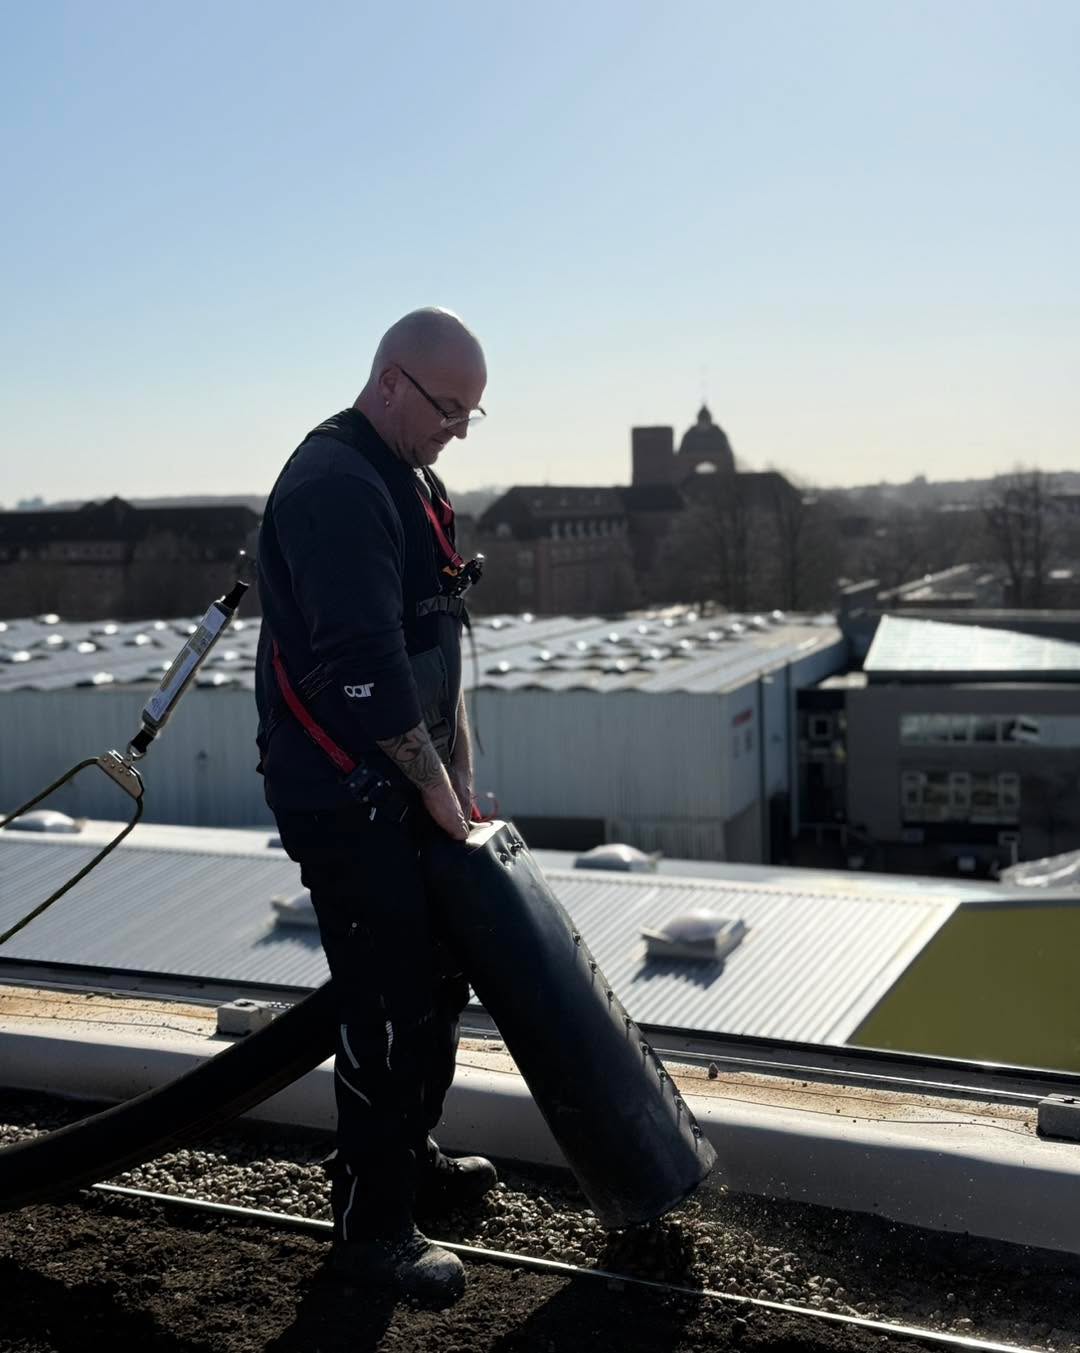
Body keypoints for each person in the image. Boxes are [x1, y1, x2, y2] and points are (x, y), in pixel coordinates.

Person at [254, 307, 494, 1305]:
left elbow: (440, 649)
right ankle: (371, 1230)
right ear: (391, 379)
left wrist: (461, 781)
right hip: (344, 797)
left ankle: (407, 1155)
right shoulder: (335, 486)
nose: (458, 430)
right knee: (386, 1001)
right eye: (448, 408)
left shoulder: (412, 479)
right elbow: (366, 669)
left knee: (439, 980)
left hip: (407, 793)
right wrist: (438, 795)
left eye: (474, 415)